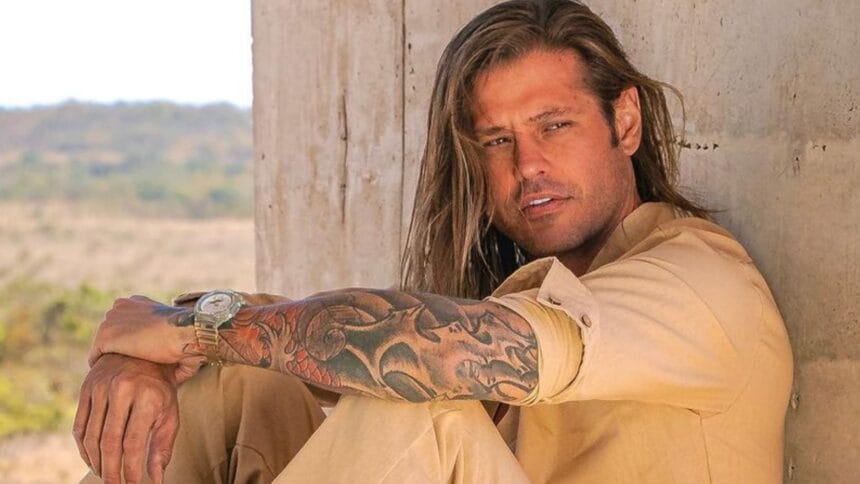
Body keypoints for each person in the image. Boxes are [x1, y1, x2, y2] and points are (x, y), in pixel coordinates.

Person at [74, 0, 793, 483]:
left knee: (424, 402)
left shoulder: (695, 281)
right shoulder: (548, 287)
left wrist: (192, 330)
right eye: (497, 141)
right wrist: (156, 352)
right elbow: (313, 348)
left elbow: (430, 352)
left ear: (624, 122)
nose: (528, 164)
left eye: (555, 126)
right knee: (238, 381)